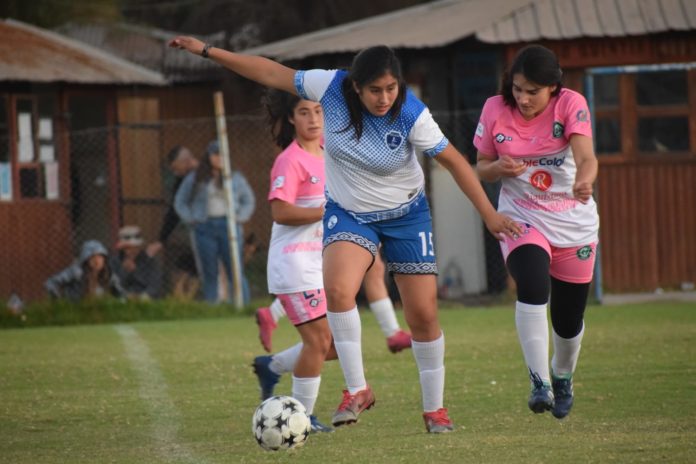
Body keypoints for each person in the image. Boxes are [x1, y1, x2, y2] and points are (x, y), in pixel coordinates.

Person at [168, 37, 519, 433]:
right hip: (350, 214)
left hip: (407, 216)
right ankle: (357, 390)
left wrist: (489, 215)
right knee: (337, 289)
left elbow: (456, 162)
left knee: (423, 315)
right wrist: (207, 52)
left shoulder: (412, 114)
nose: (384, 97)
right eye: (375, 90)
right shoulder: (329, 87)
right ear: (355, 86)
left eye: (391, 88)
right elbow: (269, 70)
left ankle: (434, 410)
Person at [473, 44, 599, 419]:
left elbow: (587, 158)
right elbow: (480, 167)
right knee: (531, 285)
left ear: (553, 88)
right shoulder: (495, 109)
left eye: (533, 91)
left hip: (572, 220)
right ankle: (539, 382)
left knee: (568, 318)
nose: (523, 99)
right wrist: (498, 170)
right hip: (521, 215)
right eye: (517, 89)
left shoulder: (571, 103)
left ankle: (562, 375)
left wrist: (585, 182)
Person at [252, 89, 334, 433]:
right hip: (295, 266)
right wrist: (326, 211)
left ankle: (272, 365)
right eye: (304, 112)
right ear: (291, 118)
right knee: (319, 342)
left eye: (318, 111)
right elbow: (281, 211)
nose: (313, 119)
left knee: (337, 345)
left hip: (324, 266)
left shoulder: (331, 153)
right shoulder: (290, 159)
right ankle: (302, 417)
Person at [174, 140, 256, 304]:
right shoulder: (195, 178)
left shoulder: (235, 177)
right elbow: (180, 201)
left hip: (229, 226)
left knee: (235, 269)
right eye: (216, 155)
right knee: (209, 271)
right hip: (204, 227)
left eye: (222, 155)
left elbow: (249, 199)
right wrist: (191, 219)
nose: (219, 158)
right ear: (209, 156)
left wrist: (239, 217)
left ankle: (243, 305)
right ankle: (212, 307)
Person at [147, 145, 200, 299]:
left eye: (177, 168)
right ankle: (185, 301)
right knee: (187, 266)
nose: (176, 173)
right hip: (194, 231)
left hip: (214, 226)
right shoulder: (181, 181)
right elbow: (174, 211)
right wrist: (161, 239)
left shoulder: (207, 172)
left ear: (186, 161)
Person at [44, 240, 124, 301]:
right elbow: (51, 283)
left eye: (100, 257)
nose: (97, 261)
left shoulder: (108, 275)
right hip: (77, 309)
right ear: (86, 259)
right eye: (92, 257)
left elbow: (120, 294)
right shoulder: (76, 272)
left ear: (104, 259)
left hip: (100, 309)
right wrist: (60, 300)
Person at [112, 225, 162, 300]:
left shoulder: (149, 260)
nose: (132, 251)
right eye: (128, 248)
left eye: (135, 247)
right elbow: (115, 286)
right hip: (123, 299)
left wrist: (135, 271)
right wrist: (125, 271)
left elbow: (154, 285)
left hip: (146, 300)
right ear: (122, 248)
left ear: (140, 246)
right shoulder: (116, 261)